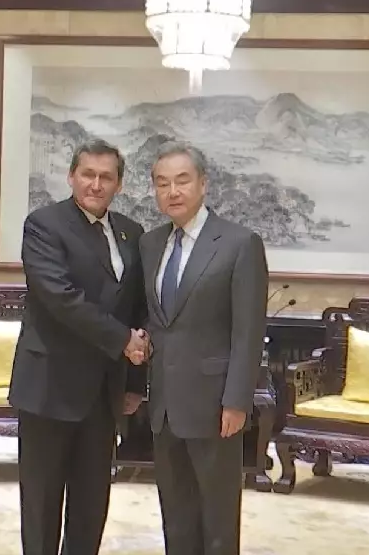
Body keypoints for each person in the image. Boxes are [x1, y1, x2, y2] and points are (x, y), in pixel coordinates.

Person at [8, 139, 150, 555]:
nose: (96, 184)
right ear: (71, 176)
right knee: (42, 502)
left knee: (91, 502)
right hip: (49, 387)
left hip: (104, 393)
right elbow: (60, 298)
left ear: (119, 184)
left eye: (106, 177)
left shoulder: (131, 233)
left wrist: (134, 382)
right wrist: (122, 340)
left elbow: (137, 308)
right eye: (88, 174)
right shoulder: (44, 225)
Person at [139, 141, 268, 555]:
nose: (172, 192)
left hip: (215, 406)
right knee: (176, 516)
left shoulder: (239, 243)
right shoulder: (150, 245)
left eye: (182, 181)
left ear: (203, 184)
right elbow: (157, 318)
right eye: (162, 183)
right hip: (164, 406)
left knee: (217, 518)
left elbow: (248, 330)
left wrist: (237, 400)